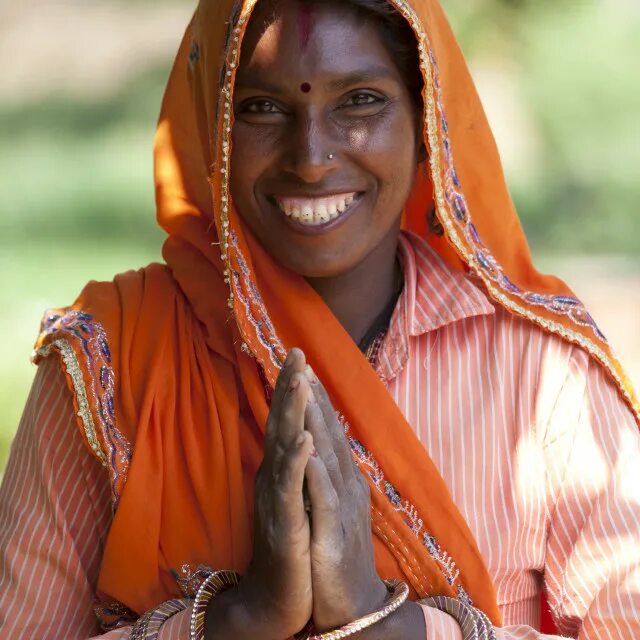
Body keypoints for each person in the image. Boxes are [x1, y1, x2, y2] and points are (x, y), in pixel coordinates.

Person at [0, 0, 638, 638]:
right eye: (263, 107)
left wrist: (387, 625)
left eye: (360, 100)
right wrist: (238, 619)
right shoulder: (114, 359)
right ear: (213, 127)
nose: (309, 157)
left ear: (427, 123)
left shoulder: (540, 370)